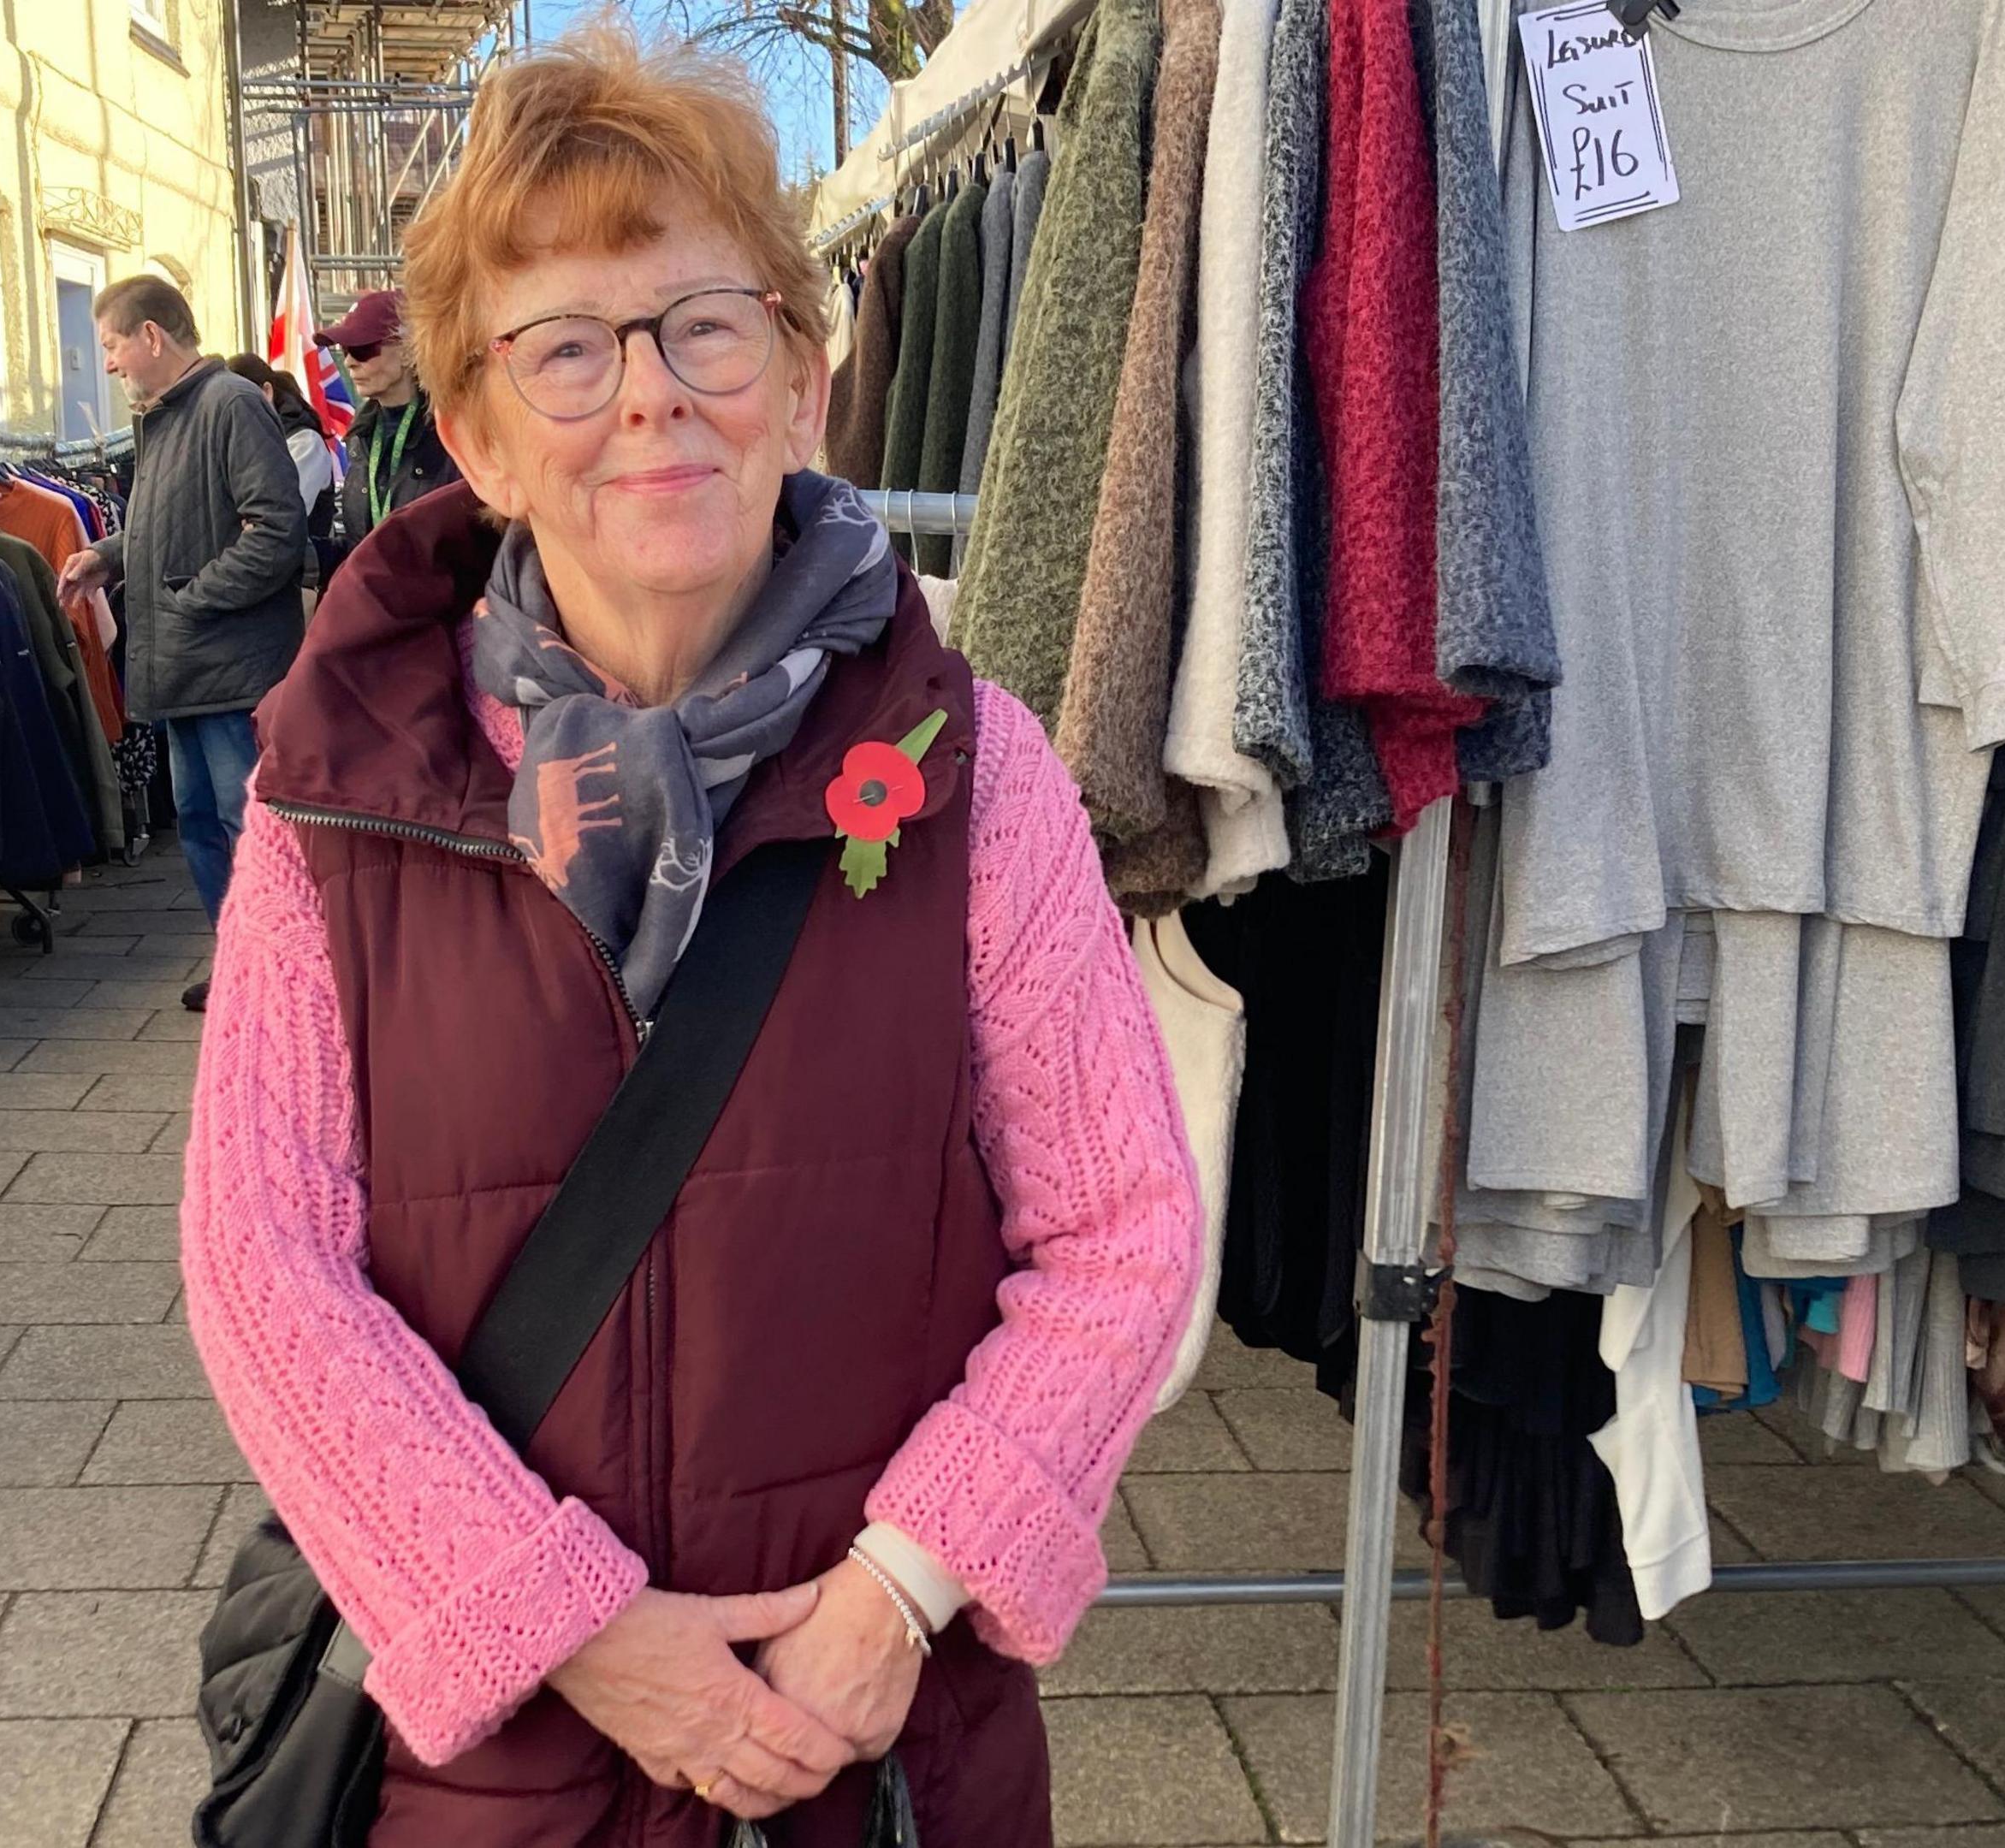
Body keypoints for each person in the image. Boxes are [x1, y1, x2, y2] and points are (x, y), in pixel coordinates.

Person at [181, 27, 1200, 1848]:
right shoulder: (328, 806)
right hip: (488, 1782)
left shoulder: (981, 776)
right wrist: (560, 1622)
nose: (649, 397)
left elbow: (1122, 1234)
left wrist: (898, 1594)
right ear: (480, 437)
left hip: (869, 1760)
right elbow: (269, 1274)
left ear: (804, 382)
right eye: (566, 348)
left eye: (704, 324)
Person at [58, 277, 310, 1012]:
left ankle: (283, 976)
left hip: (229, 670)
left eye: (110, 345)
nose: (107, 364)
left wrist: (189, 601)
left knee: (247, 829)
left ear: (151, 338)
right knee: (202, 827)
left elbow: (276, 533)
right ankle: (242, 965)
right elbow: (167, 525)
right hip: (187, 669)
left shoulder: (229, 406)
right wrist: (109, 554)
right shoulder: (166, 417)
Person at [321, 287, 462, 554]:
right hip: (375, 593)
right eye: (345, 350)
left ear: (409, 351)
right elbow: (360, 546)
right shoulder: (361, 440)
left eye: (363, 349)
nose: (349, 362)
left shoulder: (454, 434)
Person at [225, 351, 345, 559]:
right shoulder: (242, 442)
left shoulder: (304, 443)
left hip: (303, 571)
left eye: (239, 403)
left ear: (267, 392)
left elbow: (278, 517)